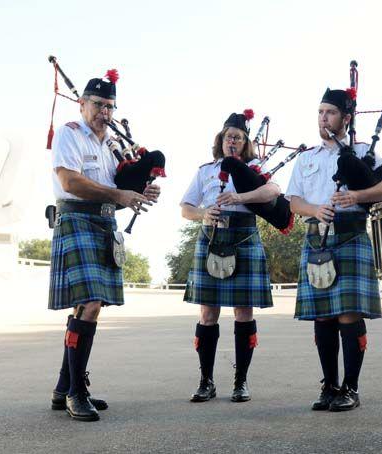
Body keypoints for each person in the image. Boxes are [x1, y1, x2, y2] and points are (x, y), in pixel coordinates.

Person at [48, 70, 161, 421]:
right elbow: (70, 180)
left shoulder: (112, 148)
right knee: (91, 304)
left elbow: (118, 189)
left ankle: (63, 389)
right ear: (82, 104)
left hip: (104, 222)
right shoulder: (70, 135)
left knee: (88, 306)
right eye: (97, 104)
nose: (104, 112)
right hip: (78, 218)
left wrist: (140, 193)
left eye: (110, 106)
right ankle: (76, 394)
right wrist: (118, 194)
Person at [286, 88, 382, 412]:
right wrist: (314, 210)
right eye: (320, 112)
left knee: (348, 313)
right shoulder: (306, 158)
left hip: (351, 236)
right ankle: (329, 385)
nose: (323, 118)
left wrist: (357, 197)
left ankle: (351, 387)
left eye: (330, 112)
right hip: (317, 236)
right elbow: (293, 201)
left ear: (346, 118)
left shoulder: (364, 152)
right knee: (322, 316)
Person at [180, 110, 279, 403]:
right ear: (221, 140)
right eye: (227, 136)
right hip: (211, 237)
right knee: (208, 313)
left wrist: (239, 197)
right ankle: (206, 381)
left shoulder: (255, 168)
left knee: (243, 311)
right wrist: (203, 214)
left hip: (245, 236)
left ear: (245, 141)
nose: (231, 141)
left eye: (237, 137)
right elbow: (186, 207)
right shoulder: (206, 170)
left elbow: (273, 191)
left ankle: (241, 382)